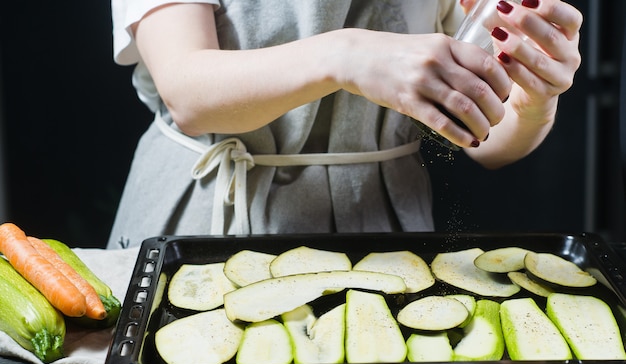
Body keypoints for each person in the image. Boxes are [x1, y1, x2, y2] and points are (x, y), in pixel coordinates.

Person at [108, 0, 582, 249]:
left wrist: (530, 104)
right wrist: (345, 56)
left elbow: (481, 137)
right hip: (207, 223)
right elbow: (188, 91)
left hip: (385, 233)